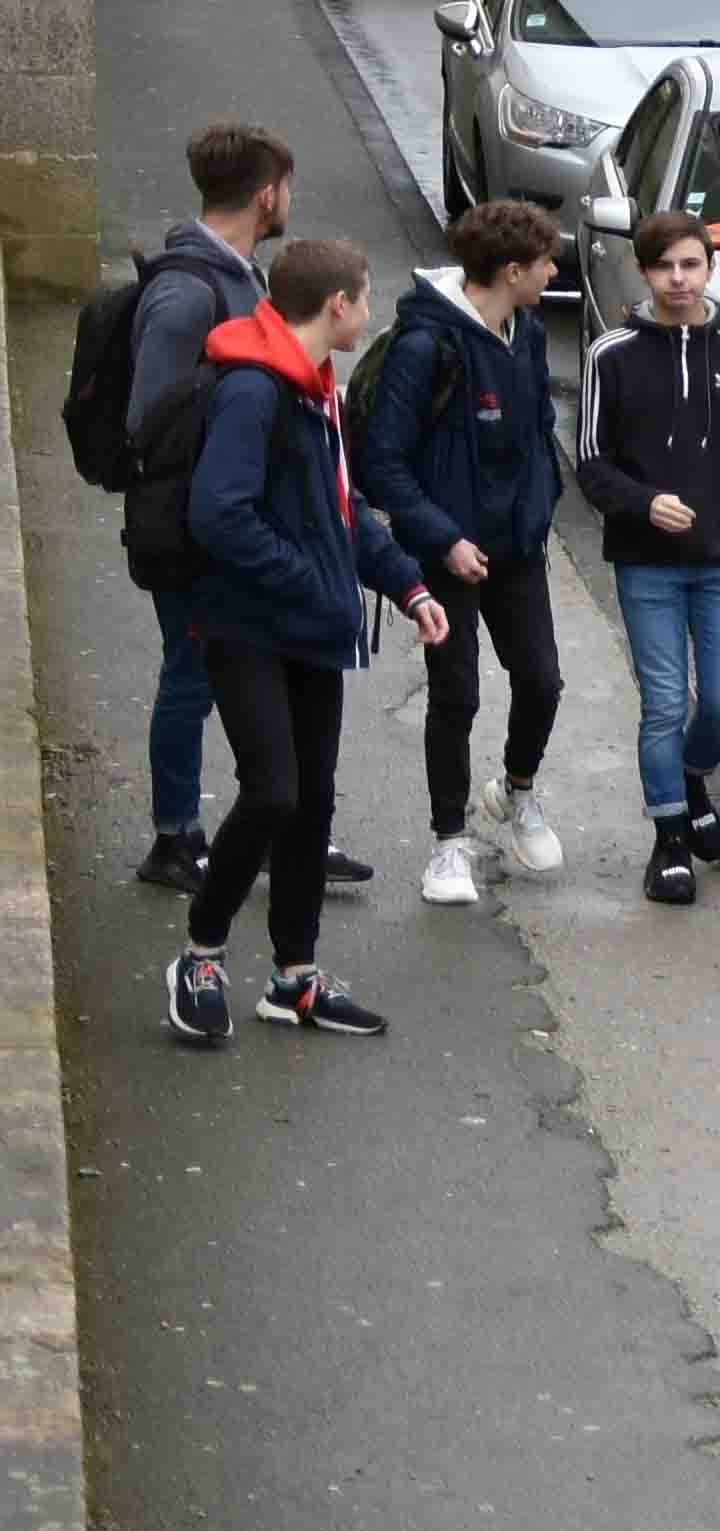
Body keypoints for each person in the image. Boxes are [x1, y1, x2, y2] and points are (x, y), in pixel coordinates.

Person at [163, 237, 455, 1045]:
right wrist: (310, 579)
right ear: (338, 306)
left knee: (311, 802)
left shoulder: (316, 387)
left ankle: (294, 978)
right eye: (364, 297)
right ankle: (202, 951)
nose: (368, 309)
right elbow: (219, 514)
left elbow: (339, 510)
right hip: (247, 625)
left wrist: (407, 582)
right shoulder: (255, 392)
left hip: (307, 629)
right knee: (274, 792)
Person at [571, 215, 720, 904]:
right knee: (664, 705)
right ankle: (670, 840)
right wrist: (644, 504)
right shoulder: (610, 355)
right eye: (665, 266)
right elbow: (589, 462)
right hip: (647, 566)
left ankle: (692, 776)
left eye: (690, 266)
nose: (678, 279)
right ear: (644, 271)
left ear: (710, 270)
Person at [356, 198, 571, 908]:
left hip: (518, 548)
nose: (553, 270)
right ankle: (448, 843)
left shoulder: (529, 334)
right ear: (512, 270)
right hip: (444, 553)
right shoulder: (427, 347)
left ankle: (515, 793)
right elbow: (382, 462)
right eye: (544, 263)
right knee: (457, 694)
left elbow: (540, 429)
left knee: (541, 680)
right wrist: (444, 539)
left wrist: (541, 505)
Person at [112, 124, 304, 894]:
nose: (289, 200)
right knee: (191, 675)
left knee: (244, 668)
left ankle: (278, 824)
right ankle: (174, 838)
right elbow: (148, 419)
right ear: (266, 194)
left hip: (228, 518)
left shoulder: (239, 273)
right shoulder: (190, 291)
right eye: (286, 187)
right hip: (194, 528)